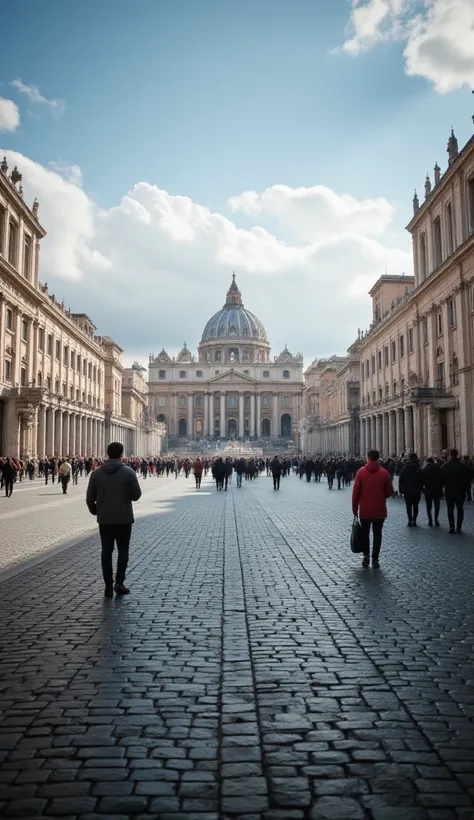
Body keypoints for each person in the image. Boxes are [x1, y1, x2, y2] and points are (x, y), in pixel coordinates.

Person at [86, 441, 142, 596]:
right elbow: (137, 495)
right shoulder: (128, 472)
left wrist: (96, 512)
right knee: (123, 551)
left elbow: (90, 498)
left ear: (107, 453)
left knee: (106, 552)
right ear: (121, 454)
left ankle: (108, 586)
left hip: (104, 519)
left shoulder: (96, 473)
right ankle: (119, 583)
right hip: (124, 519)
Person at [352, 449, 393, 568]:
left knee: (365, 534)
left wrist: (355, 509)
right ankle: (375, 559)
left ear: (368, 458)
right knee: (377, 534)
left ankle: (366, 557)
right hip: (379, 509)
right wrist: (381, 496)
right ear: (378, 458)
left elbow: (356, 493)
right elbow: (389, 491)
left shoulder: (361, 472)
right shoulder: (384, 473)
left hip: (365, 509)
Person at [441, 448, 471, 534]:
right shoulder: (463, 466)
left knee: (450, 509)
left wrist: (442, 488)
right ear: (457, 455)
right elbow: (468, 478)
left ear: (450, 455)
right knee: (460, 509)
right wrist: (466, 488)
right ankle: (459, 527)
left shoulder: (445, 466)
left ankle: (452, 526)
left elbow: (441, 479)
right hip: (461, 491)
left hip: (449, 490)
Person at [399, 453, 423, 526]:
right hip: (417, 490)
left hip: (407, 490)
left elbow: (401, 480)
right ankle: (414, 520)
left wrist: (401, 491)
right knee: (416, 505)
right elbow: (422, 479)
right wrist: (421, 488)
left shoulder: (405, 468)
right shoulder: (419, 468)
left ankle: (409, 520)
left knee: (408, 506)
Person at [421, 457, 443, 527]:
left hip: (428, 490)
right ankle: (436, 520)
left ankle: (430, 521)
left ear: (427, 462)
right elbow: (442, 478)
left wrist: (422, 489)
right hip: (437, 489)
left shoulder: (425, 469)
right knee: (437, 506)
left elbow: (422, 480)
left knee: (429, 507)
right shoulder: (438, 468)